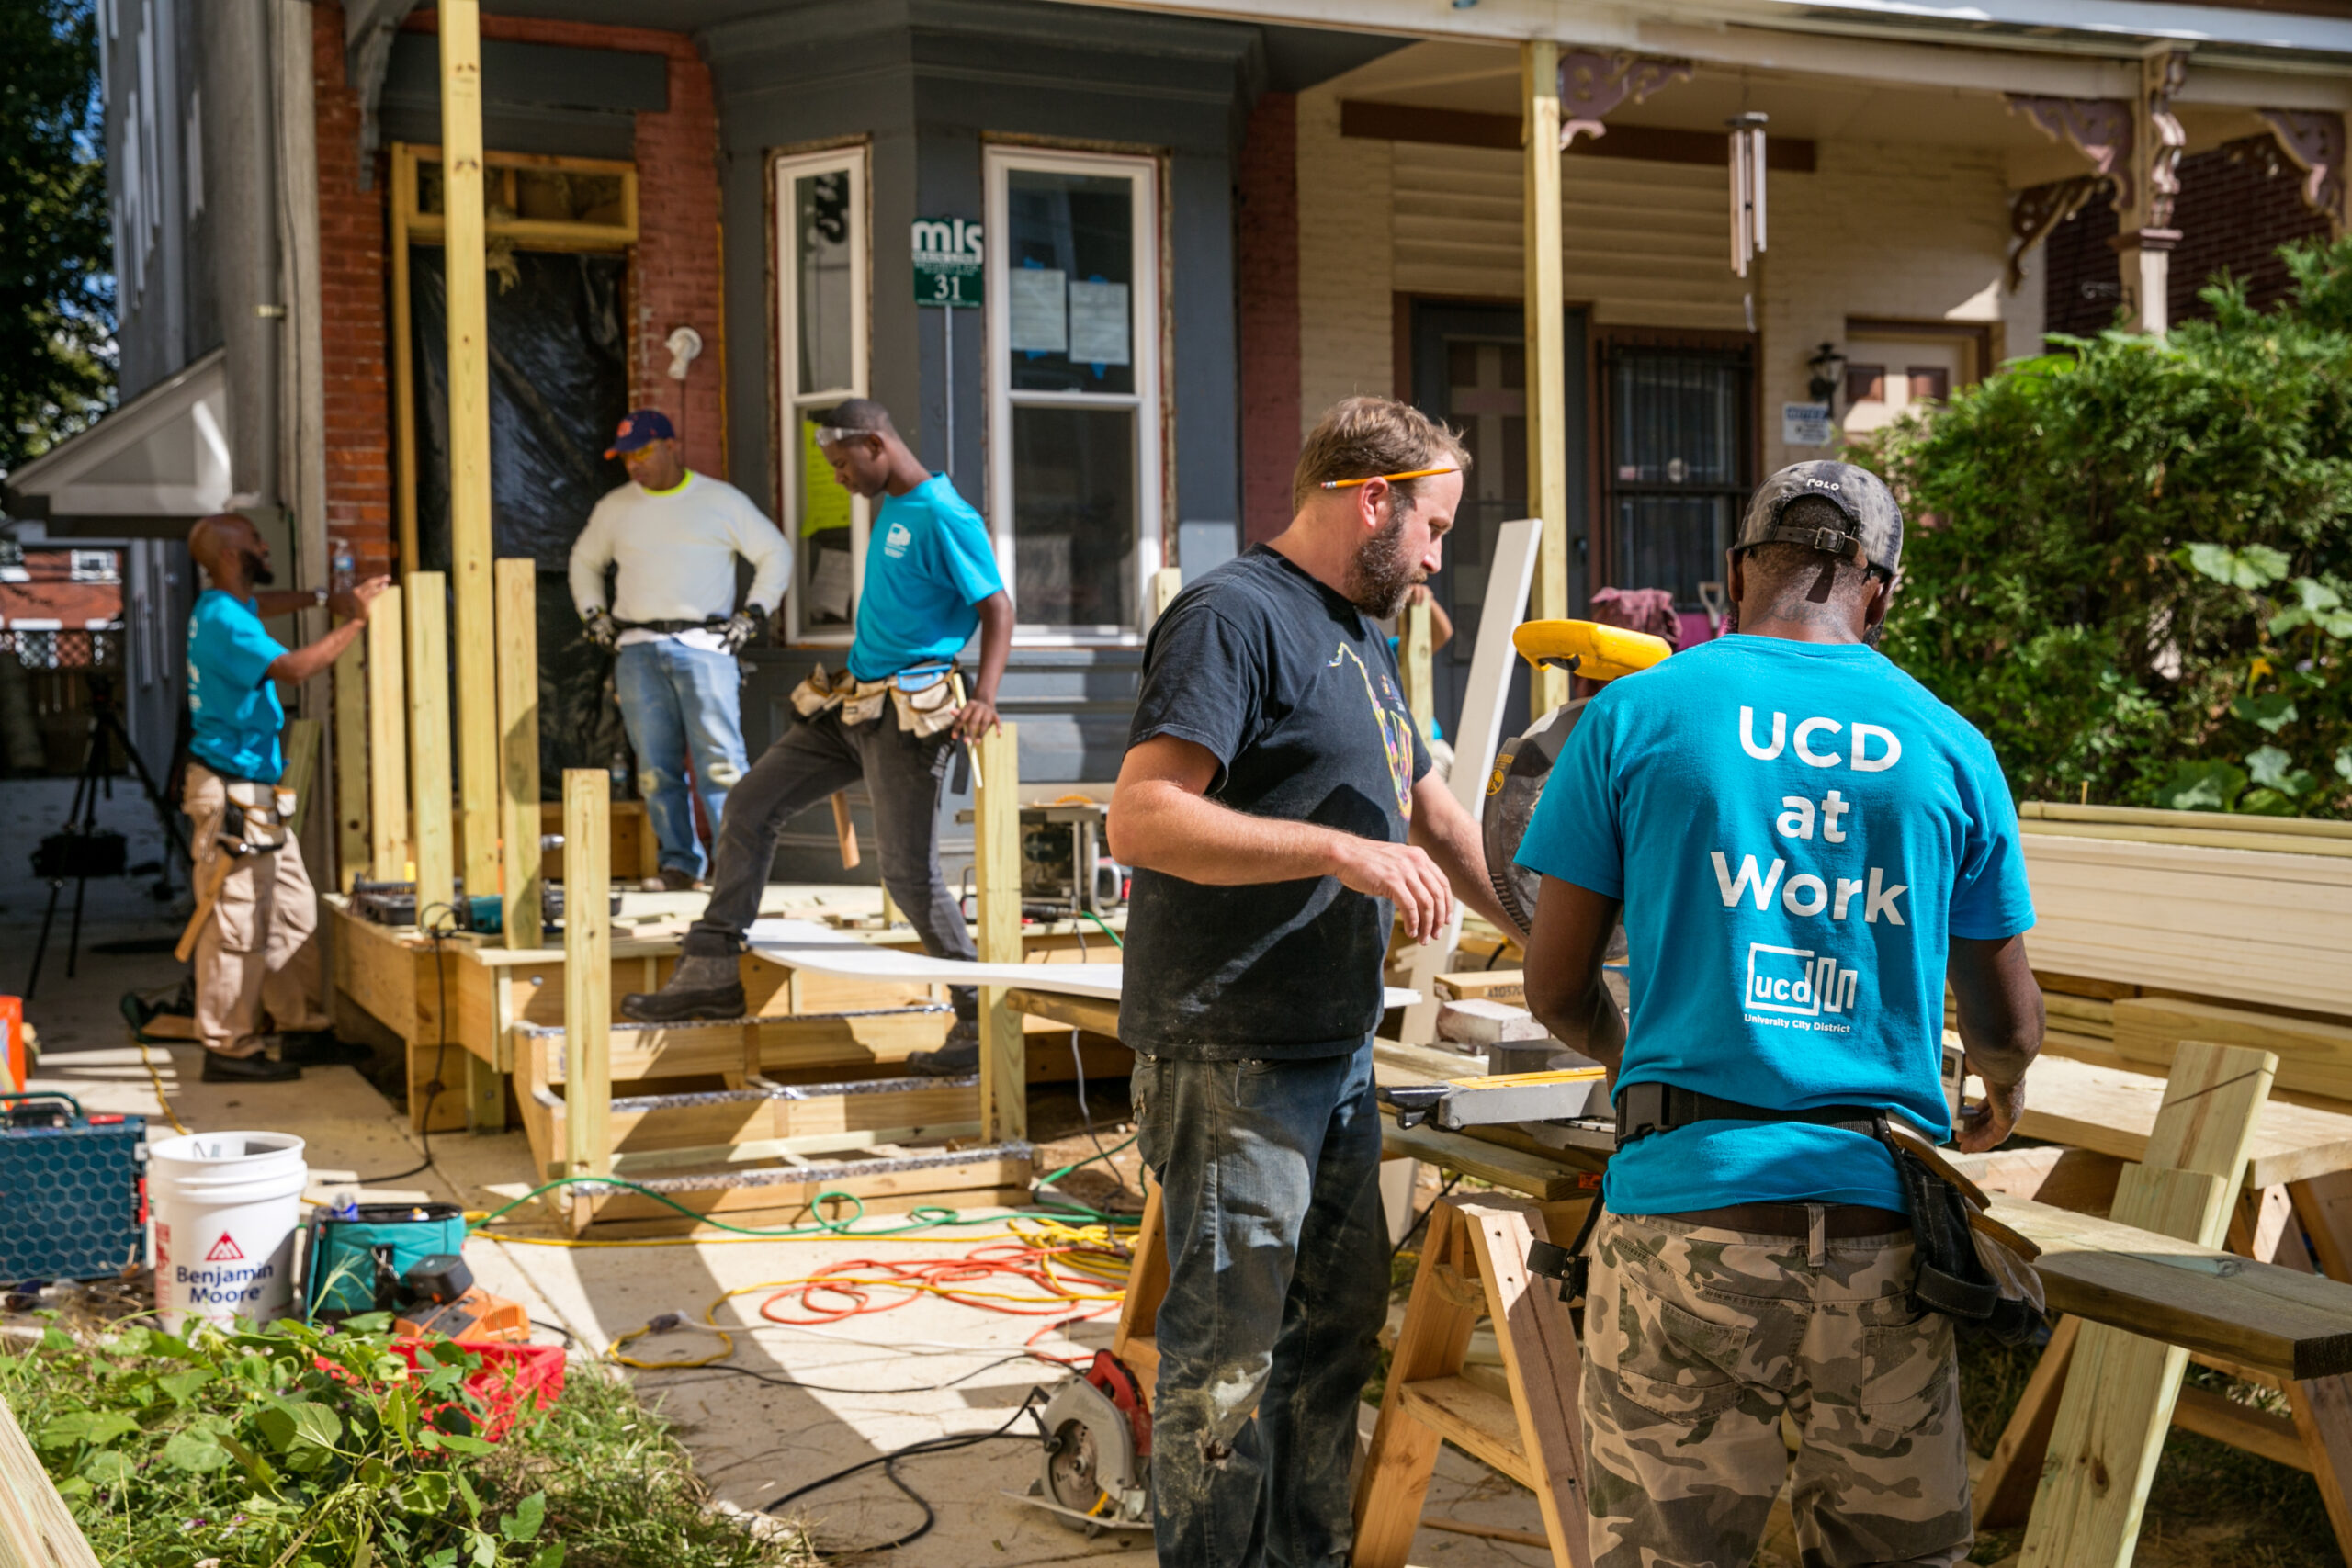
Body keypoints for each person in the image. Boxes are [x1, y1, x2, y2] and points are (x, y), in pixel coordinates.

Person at [1517, 460, 2046, 1568]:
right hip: (1878, 1235)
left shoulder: (1633, 715)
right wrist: (1998, 1092)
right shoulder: (1948, 744)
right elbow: (2006, 1019)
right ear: (1882, 589)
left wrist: (1642, 1071)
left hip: (1680, 1221)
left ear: (1738, 571)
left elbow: (1557, 988)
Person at [1105, 396, 1517, 1566]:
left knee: (1334, 1331)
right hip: (1233, 1047)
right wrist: (1337, 849)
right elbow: (1141, 817)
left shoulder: (1363, 633)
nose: (1437, 559)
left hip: (1332, 1049)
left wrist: (1545, 936)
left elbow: (1429, 809)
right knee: (1225, 1357)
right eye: (1432, 528)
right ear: (1371, 499)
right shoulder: (1233, 617)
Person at [620, 400, 1012, 1073]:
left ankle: (978, 1028)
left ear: (874, 443)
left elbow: (997, 606)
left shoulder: (946, 514)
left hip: (908, 714)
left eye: (840, 464)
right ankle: (711, 971)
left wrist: (983, 697)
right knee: (749, 804)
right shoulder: (893, 505)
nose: (838, 478)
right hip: (852, 704)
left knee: (909, 877)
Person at [183, 513, 390, 1083]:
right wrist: (355, 622)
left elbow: (266, 605)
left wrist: (326, 597)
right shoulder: (224, 618)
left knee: (294, 910)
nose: (264, 543)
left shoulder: (225, 608)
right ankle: (228, 1048)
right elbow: (295, 670)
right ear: (229, 555)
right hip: (230, 792)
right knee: (238, 922)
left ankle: (300, 1029)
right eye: (253, 539)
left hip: (255, 791)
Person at [569, 408, 790, 891]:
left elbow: (775, 551)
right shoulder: (615, 507)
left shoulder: (718, 500)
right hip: (638, 648)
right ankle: (679, 864)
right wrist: (594, 615)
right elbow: (584, 561)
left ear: (672, 445)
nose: (635, 465)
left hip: (705, 646)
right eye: (626, 457)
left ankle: (736, 871)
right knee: (655, 768)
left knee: (722, 763)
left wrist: (754, 614)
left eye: (643, 452)